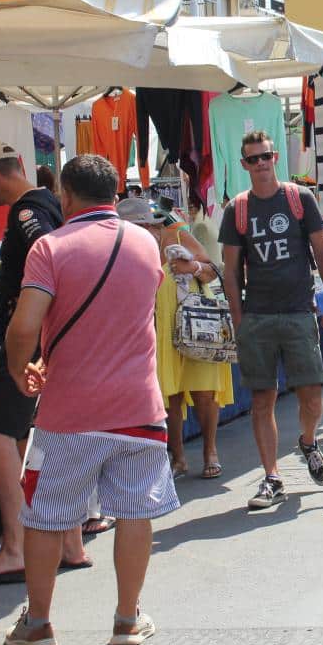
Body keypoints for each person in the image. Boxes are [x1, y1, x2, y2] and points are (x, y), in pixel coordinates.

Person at [1, 154, 177, 645]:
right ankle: (126, 619)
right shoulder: (146, 242)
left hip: (67, 413)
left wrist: (19, 369)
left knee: (44, 515)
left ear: (66, 196)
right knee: (133, 512)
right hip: (139, 407)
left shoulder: (49, 247)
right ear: (115, 193)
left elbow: (24, 325)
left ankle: (37, 624)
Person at [0, 141, 88, 585]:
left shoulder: (26, 212)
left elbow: (50, 257)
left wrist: (26, 339)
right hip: (42, 341)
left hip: (27, 343)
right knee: (41, 441)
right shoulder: (46, 203)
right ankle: (70, 541)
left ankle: (15, 548)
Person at [220, 130, 323, 510]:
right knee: (262, 399)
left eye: (266, 157)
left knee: (312, 394)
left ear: (275, 158)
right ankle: (272, 476)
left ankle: (307, 441)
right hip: (257, 314)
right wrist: (239, 319)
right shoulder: (236, 209)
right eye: (253, 159)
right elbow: (230, 268)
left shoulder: (298, 198)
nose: (260, 164)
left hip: (298, 310)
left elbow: (321, 252)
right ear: (244, 165)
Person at [116, 198, 231, 481]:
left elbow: (212, 269)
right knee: (170, 394)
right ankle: (178, 457)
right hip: (158, 325)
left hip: (195, 322)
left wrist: (190, 267)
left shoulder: (177, 233)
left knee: (204, 390)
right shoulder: (125, 248)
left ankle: (210, 452)